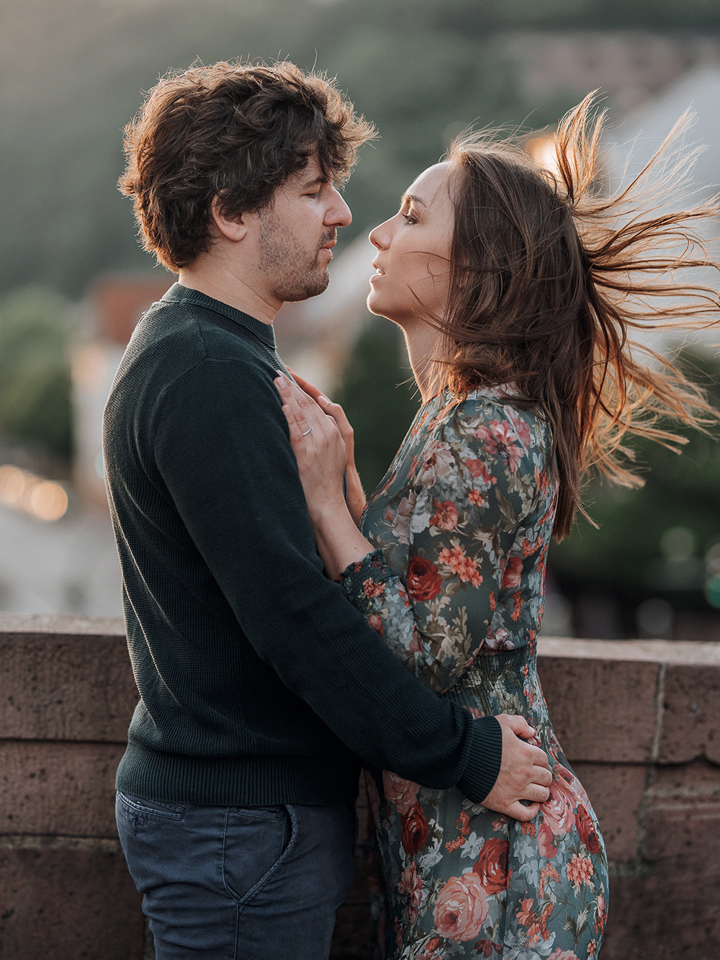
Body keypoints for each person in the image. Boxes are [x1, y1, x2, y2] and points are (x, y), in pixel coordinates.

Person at [103, 60, 553, 960]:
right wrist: (465, 753)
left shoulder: (212, 354)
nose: (345, 215)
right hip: (242, 829)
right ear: (232, 213)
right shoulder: (209, 374)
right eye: (314, 191)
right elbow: (296, 622)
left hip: (245, 825)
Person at [274, 95, 720, 959]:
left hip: (498, 862)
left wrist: (329, 507)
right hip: (467, 848)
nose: (378, 235)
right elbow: (432, 603)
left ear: (475, 268)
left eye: (410, 215)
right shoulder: (474, 420)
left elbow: (415, 662)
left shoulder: (482, 429)